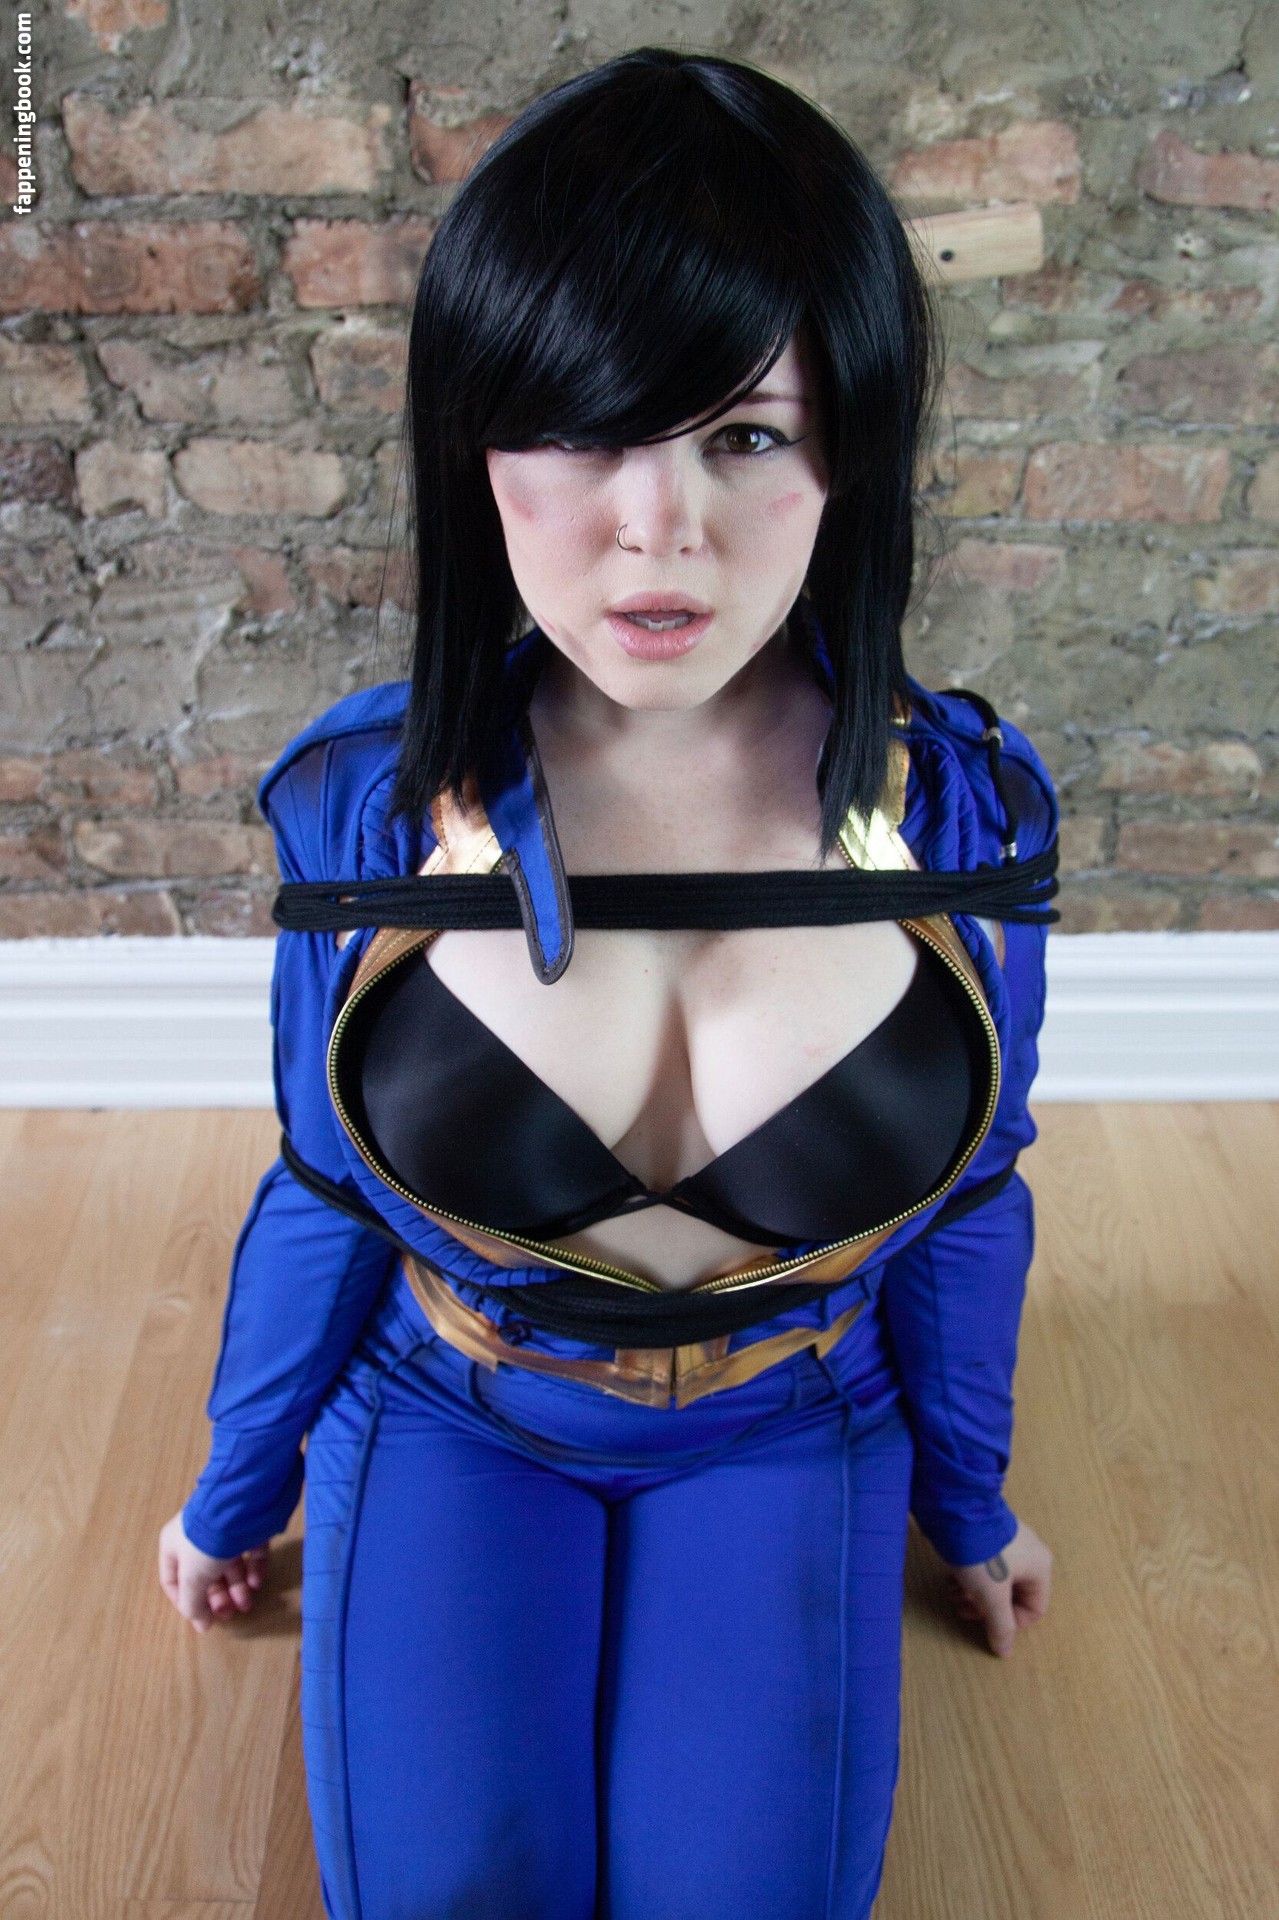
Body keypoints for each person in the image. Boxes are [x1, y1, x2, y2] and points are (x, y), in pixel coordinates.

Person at [158, 46, 1056, 1919]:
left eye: (746, 436)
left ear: (848, 449)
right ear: (477, 445)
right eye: (582, 431)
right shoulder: (365, 811)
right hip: (457, 1409)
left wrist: (969, 1508)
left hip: (796, 1420)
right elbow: (327, 1187)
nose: (660, 529)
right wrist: (236, 1488)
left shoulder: (967, 818)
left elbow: (972, 1196)